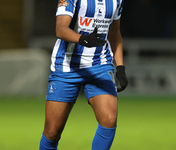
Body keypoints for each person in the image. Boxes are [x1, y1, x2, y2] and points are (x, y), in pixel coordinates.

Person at [39, 0, 128, 149]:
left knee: (109, 120)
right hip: (67, 66)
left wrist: (120, 67)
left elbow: (114, 32)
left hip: (100, 65)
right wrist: (82, 39)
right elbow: (60, 29)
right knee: (52, 132)